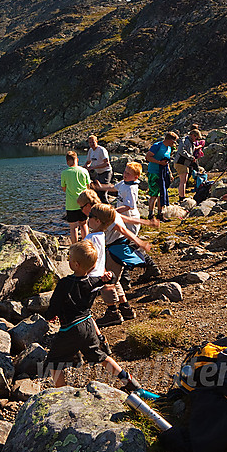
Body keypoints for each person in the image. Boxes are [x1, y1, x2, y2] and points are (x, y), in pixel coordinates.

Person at [44, 240, 143, 392]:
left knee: (53, 362)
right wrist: (110, 275)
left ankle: (63, 393)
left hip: (71, 328)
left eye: (69, 259)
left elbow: (55, 304)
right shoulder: (92, 282)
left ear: (76, 265)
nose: (68, 260)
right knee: (101, 356)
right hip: (89, 326)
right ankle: (129, 381)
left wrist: (49, 316)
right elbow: (112, 279)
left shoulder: (65, 283)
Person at [84, 203, 138, 326]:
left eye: (90, 216)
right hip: (115, 252)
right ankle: (125, 307)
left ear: (98, 221)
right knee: (114, 281)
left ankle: (112, 312)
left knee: (107, 284)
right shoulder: (102, 232)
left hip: (111, 255)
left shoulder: (92, 237)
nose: (88, 219)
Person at [91, 161, 143, 234]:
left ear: (136, 177)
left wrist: (114, 211)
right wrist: (100, 187)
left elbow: (128, 206)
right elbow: (113, 187)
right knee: (122, 233)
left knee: (129, 235)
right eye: (125, 172)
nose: (125, 174)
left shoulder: (131, 188)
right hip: (123, 216)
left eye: (128, 173)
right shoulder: (124, 182)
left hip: (130, 218)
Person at [146, 131, 178, 220]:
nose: (174, 144)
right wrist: (159, 162)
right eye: (174, 141)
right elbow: (148, 157)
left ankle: (160, 213)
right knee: (154, 194)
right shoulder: (157, 146)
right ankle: (151, 214)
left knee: (162, 193)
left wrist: (170, 173)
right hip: (154, 172)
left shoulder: (169, 148)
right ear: (170, 140)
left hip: (163, 173)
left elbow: (166, 162)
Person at [61, 151, 91, 245]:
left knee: (73, 226)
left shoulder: (64, 173)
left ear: (67, 162)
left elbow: (64, 188)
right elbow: (88, 186)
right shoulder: (84, 171)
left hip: (71, 204)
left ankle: (74, 246)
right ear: (77, 159)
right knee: (84, 224)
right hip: (83, 203)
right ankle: (86, 244)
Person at [174, 128, 205, 200]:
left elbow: (192, 149)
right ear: (192, 135)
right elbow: (182, 151)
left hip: (185, 163)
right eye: (196, 138)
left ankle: (182, 195)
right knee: (183, 181)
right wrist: (191, 157)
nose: (196, 140)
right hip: (181, 163)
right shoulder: (184, 140)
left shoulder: (191, 142)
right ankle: (181, 197)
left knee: (184, 180)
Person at [85, 135, 113, 203]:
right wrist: (84, 167)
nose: (92, 144)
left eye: (93, 142)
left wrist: (93, 167)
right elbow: (88, 162)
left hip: (106, 172)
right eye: (90, 143)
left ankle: (107, 208)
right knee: (96, 191)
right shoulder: (91, 150)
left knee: (102, 192)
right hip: (98, 173)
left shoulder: (101, 150)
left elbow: (106, 163)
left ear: (96, 142)